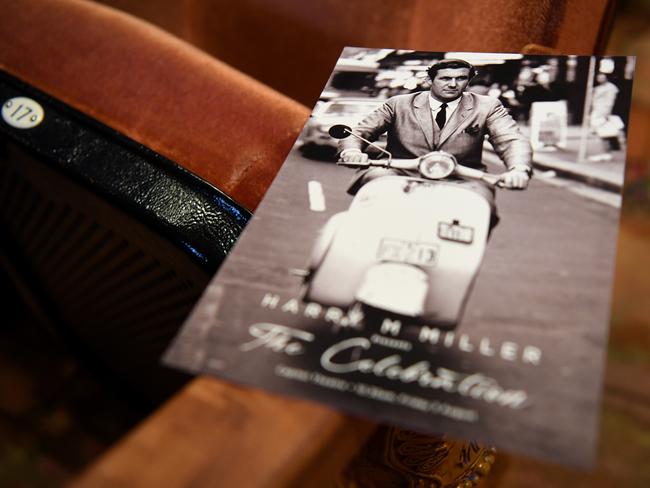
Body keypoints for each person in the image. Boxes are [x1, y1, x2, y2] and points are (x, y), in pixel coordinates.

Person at [338, 59, 533, 207]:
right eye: (446, 78)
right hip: (398, 171)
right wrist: (351, 151)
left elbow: (511, 139)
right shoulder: (398, 103)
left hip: (461, 176)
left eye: (461, 78)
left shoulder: (488, 106)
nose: (453, 84)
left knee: (482, 203)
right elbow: (360, 131)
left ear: (469, 80)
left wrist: (519, 169)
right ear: (430, 80)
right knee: (376, 183)